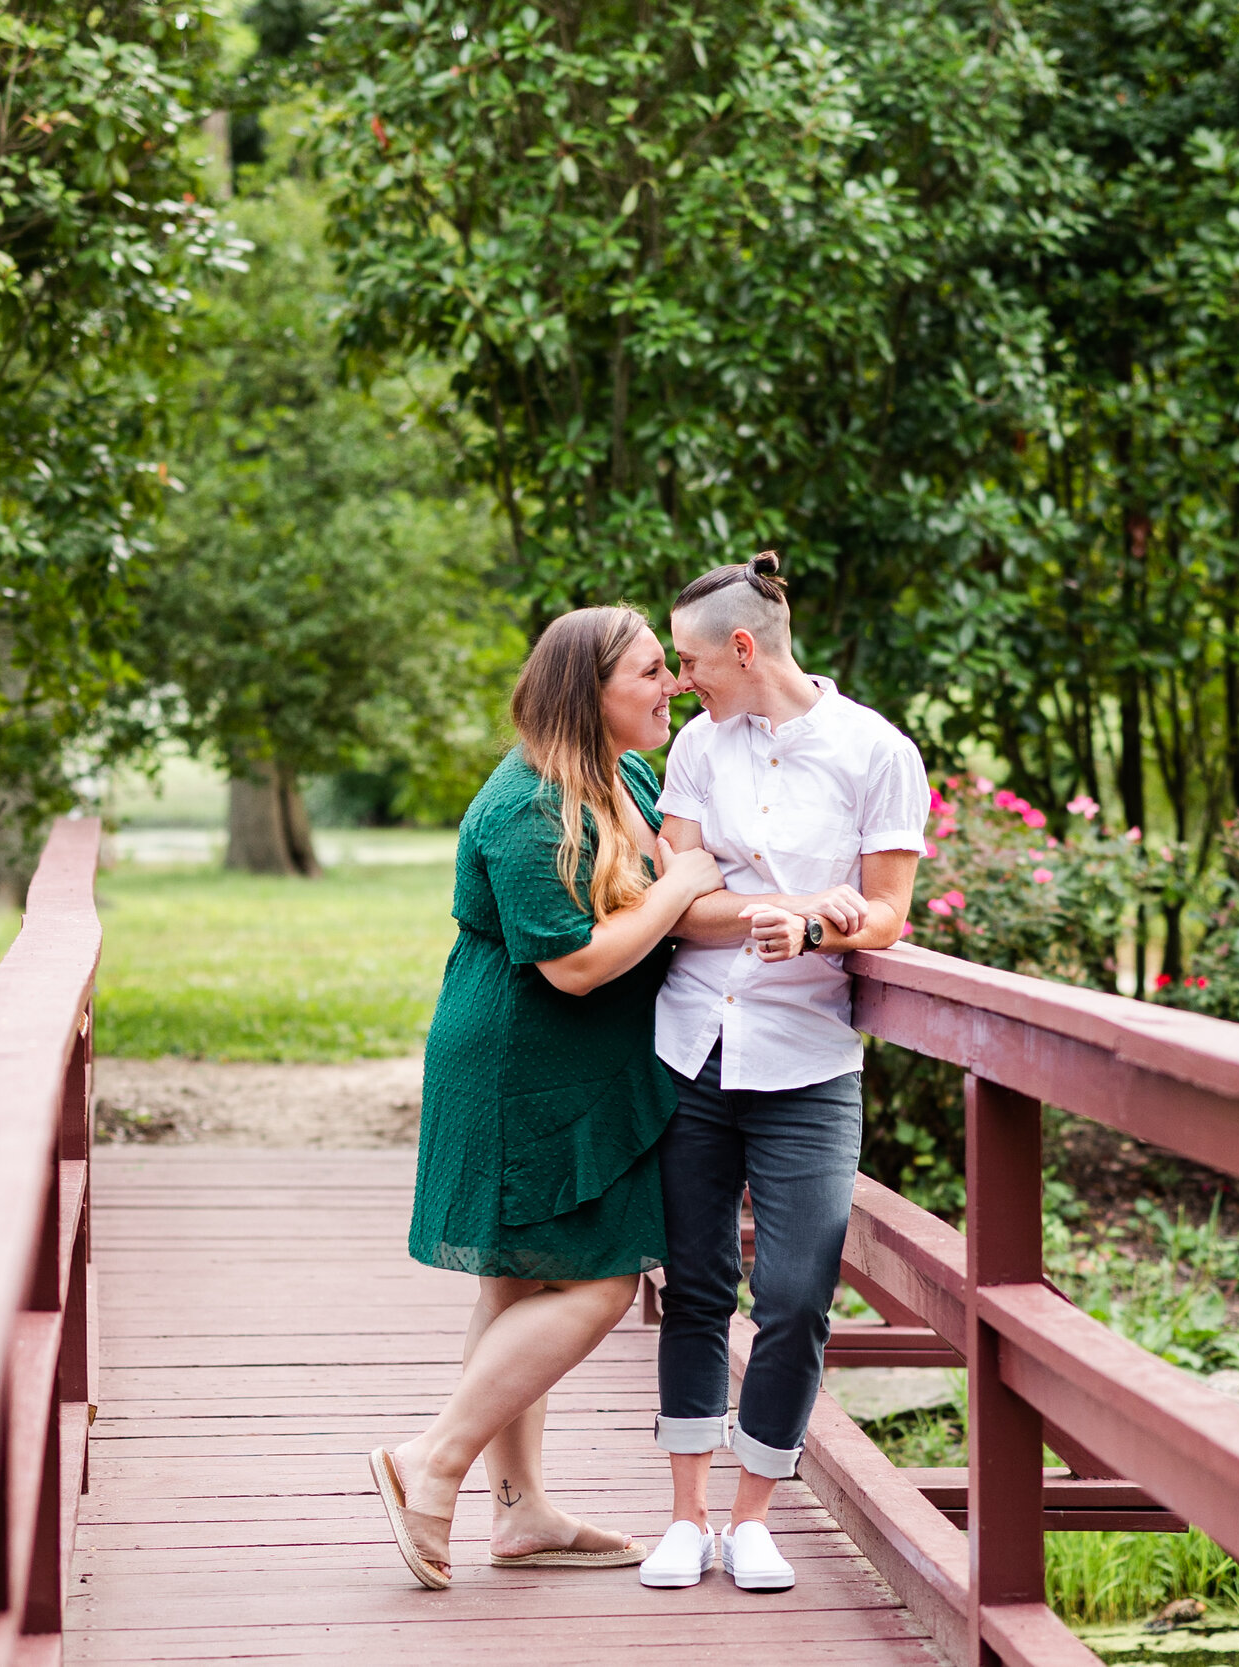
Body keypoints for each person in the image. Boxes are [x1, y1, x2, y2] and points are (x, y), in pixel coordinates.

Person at [372, 605, 724, 1589]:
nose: (673, 686)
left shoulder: (628, 774)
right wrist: (679, 881)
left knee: (517, 1276)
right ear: (589, 689)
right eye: (653, 672)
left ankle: (521, 1511)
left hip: (579, 1059)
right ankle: (428, 1460)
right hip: (521, 1061)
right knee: (601, 1279)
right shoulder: (521, 805)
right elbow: (572, 965)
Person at [636, 552, 928, 1593]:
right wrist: (805, 910)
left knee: (799, 1290)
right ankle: (684, 1514)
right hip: (692, 1047)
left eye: (689, 660)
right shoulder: (695, 750)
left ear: (744, 648)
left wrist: (806, 920)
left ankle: (754, 1510)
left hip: (807, 1059)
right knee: (697, 1284)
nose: (679, 680)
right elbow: (678, 890)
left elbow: (887, 912)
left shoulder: (876, 751)